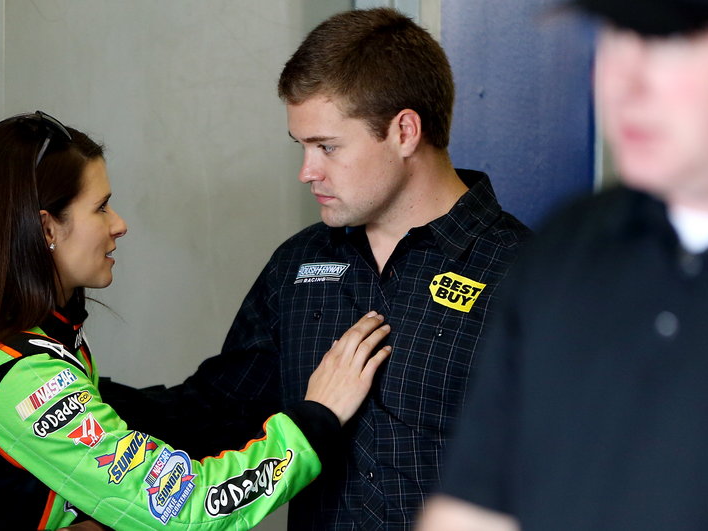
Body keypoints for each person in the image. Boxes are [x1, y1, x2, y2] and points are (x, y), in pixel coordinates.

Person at [104, 8, 531, 530]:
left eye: (327, 147)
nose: (307, 172)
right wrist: (61, 389)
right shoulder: (298, 264)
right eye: (302, 147)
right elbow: (214, 413)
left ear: (404, 131)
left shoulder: (529, 277)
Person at [0, 111, 393, 531]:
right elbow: (184, 507)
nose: (119, 224)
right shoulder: (23, 381)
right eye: (102, 207)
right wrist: (316, 419)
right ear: (47, 228)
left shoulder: (37, 341)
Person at [418, 1, 708, 530]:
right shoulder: (568, 245)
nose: (625, 83)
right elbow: (474, 509)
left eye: (671, 42)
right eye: (616, 34)